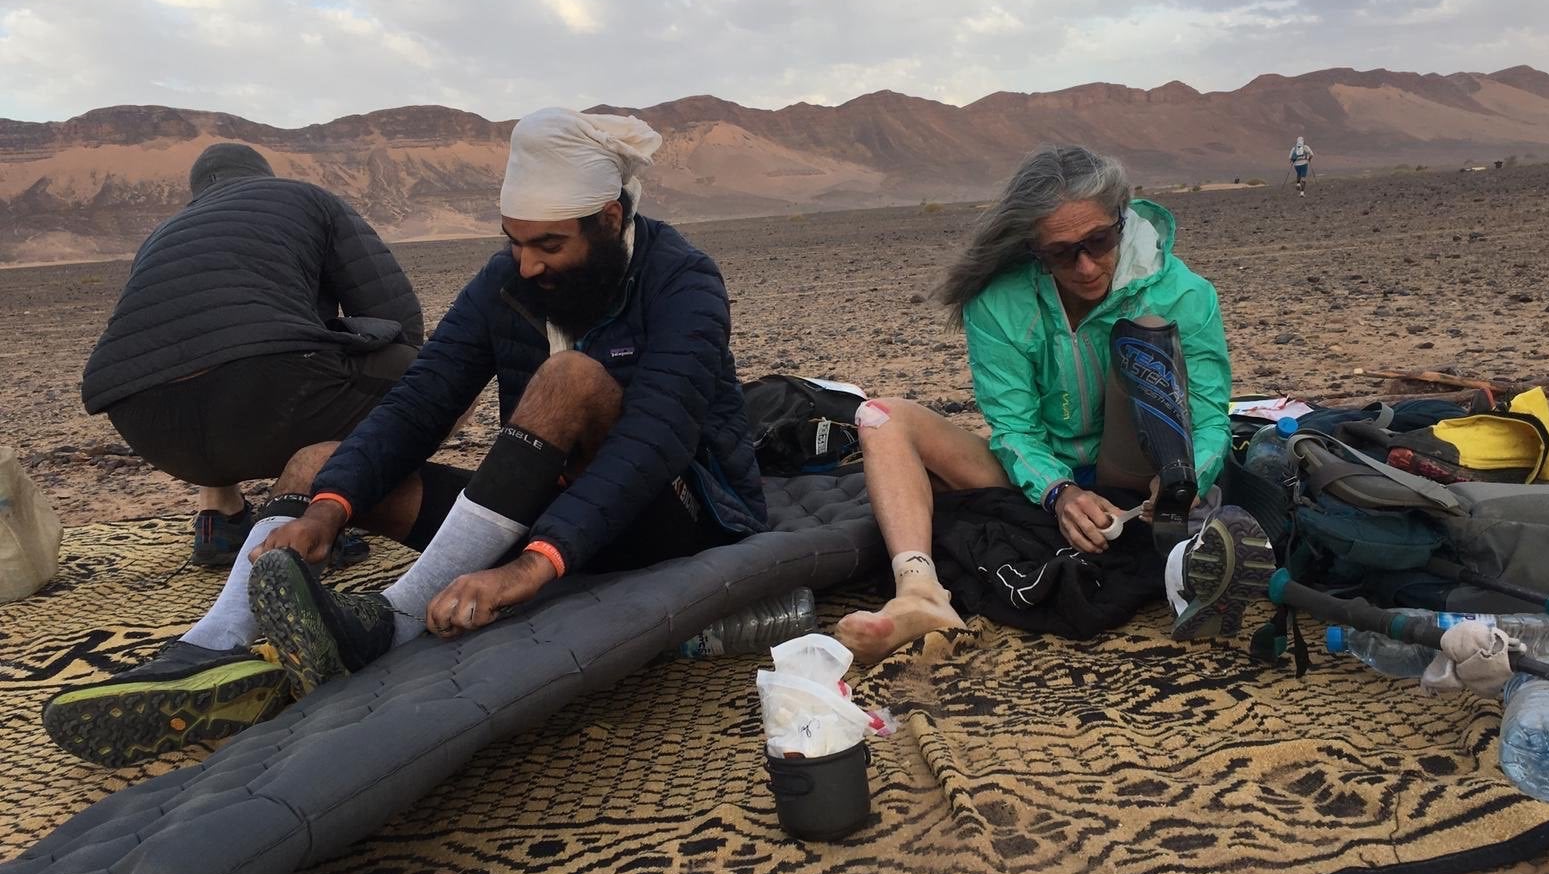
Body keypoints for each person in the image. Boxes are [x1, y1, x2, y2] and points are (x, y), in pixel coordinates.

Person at [44, 110, 767, 767]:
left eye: (549, 245)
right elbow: (418, 402)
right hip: (547, 509)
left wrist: (529, 570)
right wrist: (328, 511)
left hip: (677, 513)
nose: (528, 265)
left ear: (609, 219)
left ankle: (392, 624)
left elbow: (658, 438)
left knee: (570, 377)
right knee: (316, 462)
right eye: (514, 243)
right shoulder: (506, 281)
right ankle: (210, 647)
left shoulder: (681, 278)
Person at [834, 146, 1260, 667]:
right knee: (881, 419)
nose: (1084, 267)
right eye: (1061, 253)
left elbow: (1210, 417)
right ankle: (921, 593)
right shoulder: (997, 302)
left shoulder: (1184, 294)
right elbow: (1014, 429)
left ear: (1122, 219)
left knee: (1148, 336)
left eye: (1099, 242)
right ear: (1033, 248)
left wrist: (1182, 477)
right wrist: (1059, 492)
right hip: (1042, 473)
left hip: (1136, 465)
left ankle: (1178, 538)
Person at [81, 144, 424, 565]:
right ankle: (324, 512)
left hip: (147, 426)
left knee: (209, 356)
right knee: (433, 375)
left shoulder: (164, 232)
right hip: (267, 394)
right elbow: (396, 315)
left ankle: (218, 519)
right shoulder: (307, 198)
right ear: (264, 173)